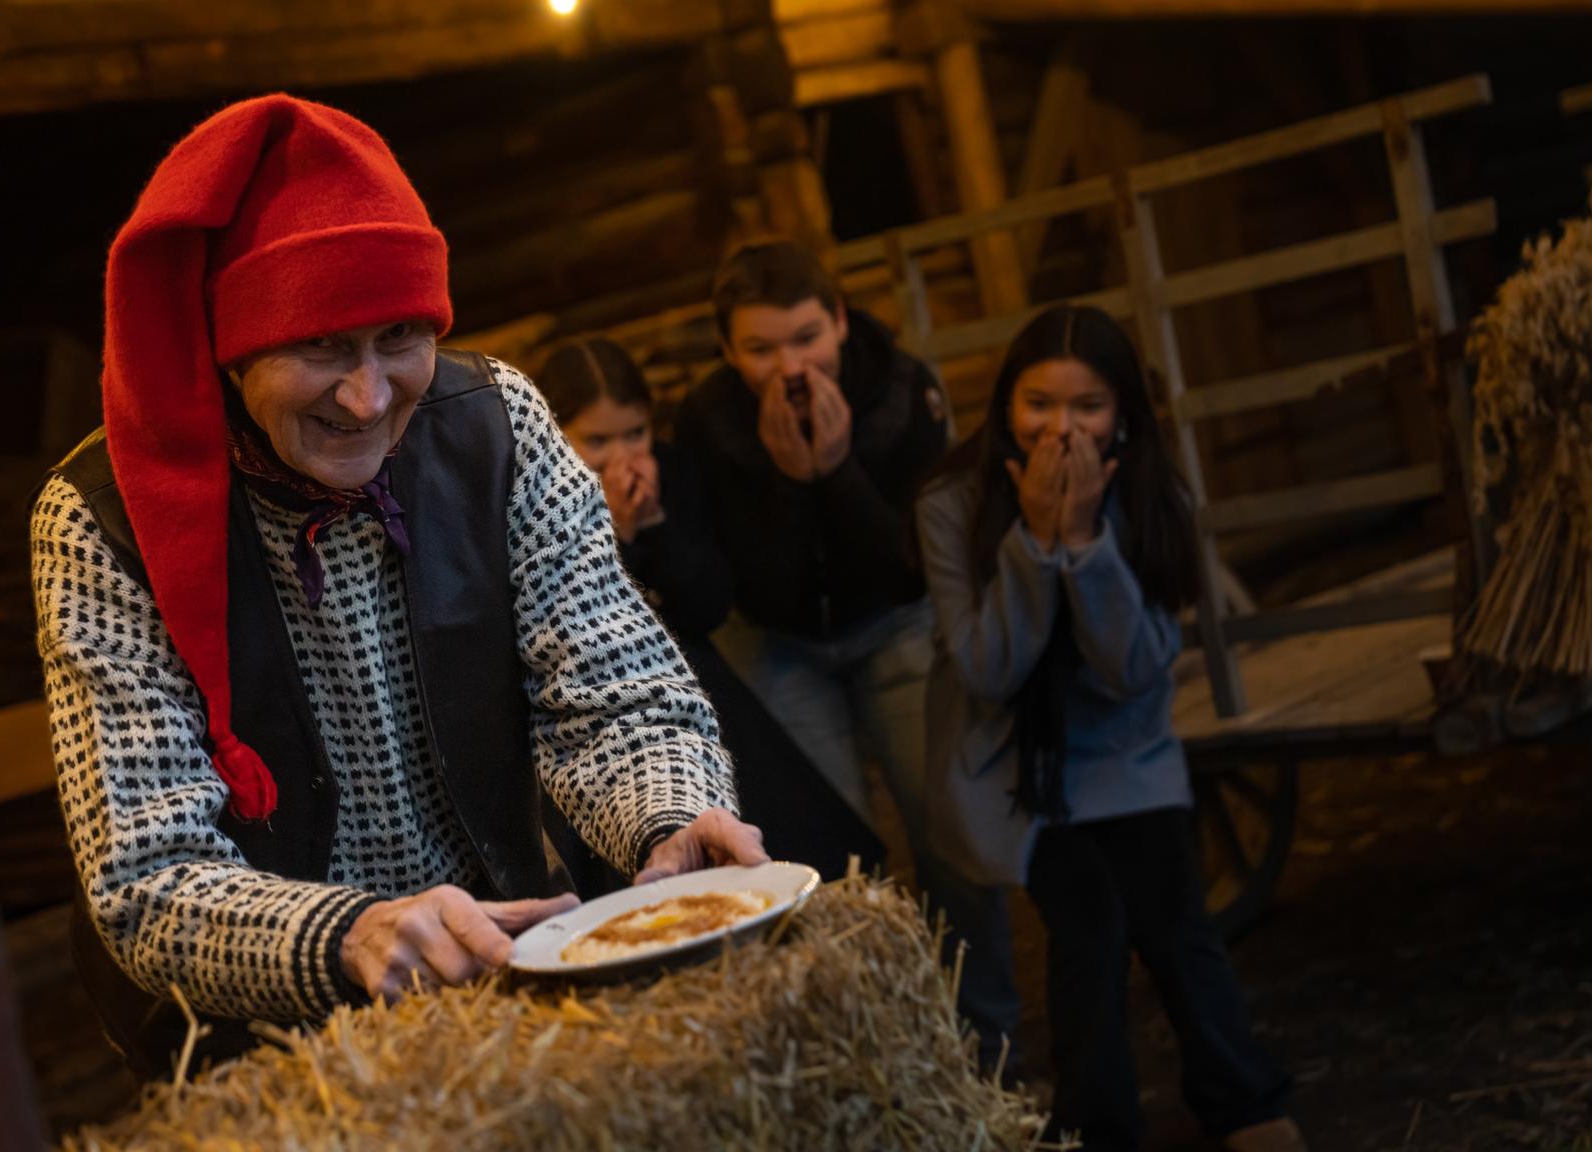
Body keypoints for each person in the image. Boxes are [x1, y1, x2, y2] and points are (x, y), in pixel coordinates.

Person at [29, 94, 766, 1076]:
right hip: (265, 1043)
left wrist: (670, 819)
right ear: (228, 345)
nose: (368, 397)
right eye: (320, 347)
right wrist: (347, 935)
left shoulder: (495, 429)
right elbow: (148, 872)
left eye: (397, 338)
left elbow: (616, 692)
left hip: (499, 959)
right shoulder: (100, 519)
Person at [914, 305, 1302, 1152]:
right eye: (1038, 404)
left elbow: (1137, 669)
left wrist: (1084, 540)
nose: (1062, 428)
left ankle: (1243, 1102)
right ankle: (1099, 1130)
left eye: (1087, 406)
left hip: (1126, 746)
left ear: (1123, 411)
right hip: (1015, 760)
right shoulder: (951, 502)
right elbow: (985, 670)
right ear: (1005, 408)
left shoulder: (1156, 491)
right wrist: (1033, 543)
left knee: (1174, 918)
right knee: (1089, 927)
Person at [675, 239, 1020, 1058]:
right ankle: (877, 1053)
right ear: (728, 351)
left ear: (837, 321)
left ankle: (990, 1042)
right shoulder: (709, 422)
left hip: (893, 624)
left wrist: (835, 474)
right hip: (780, 642)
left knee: (949, 836)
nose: (789, 365)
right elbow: (749, 586)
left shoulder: (902, 390)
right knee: (822, 862)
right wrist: (791, 489)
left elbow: (913, 564)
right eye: (760, 349)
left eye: (805, 338)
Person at [537, 338, 886, 882]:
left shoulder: (671, 473)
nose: (622, 454)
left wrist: (654, 526)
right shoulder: (538, 500)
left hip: (695, 678)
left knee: (785, 819)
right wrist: (617, 535)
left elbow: (708, 605)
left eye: (635, 433)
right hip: (602, 699)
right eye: (597, 440)